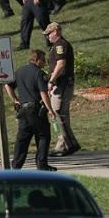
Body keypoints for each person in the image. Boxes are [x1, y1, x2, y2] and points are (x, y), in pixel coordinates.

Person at [5, 49, 57, 171]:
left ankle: (16, 165)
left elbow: (7, 85)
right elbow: (43, 92)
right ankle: (42, 164)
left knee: (22, 139)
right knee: (43, 136)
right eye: (43, 60)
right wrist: (50, 109)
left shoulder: (19, 71)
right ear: (37, 60)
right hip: (36, 110)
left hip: (23, 110)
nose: (44, 63)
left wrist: (15, 99)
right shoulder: (39, 73)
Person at [45, 22, 80, 157]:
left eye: (48, 34)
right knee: (61, 115)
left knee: (58, 113)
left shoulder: (60, 45)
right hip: (62, 84)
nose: (47, 37)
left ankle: (69, 145)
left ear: (55, 31)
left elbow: (60, 64)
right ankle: (64, 145)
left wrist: (51, 81)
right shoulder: (58, 45)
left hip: (62, 85)